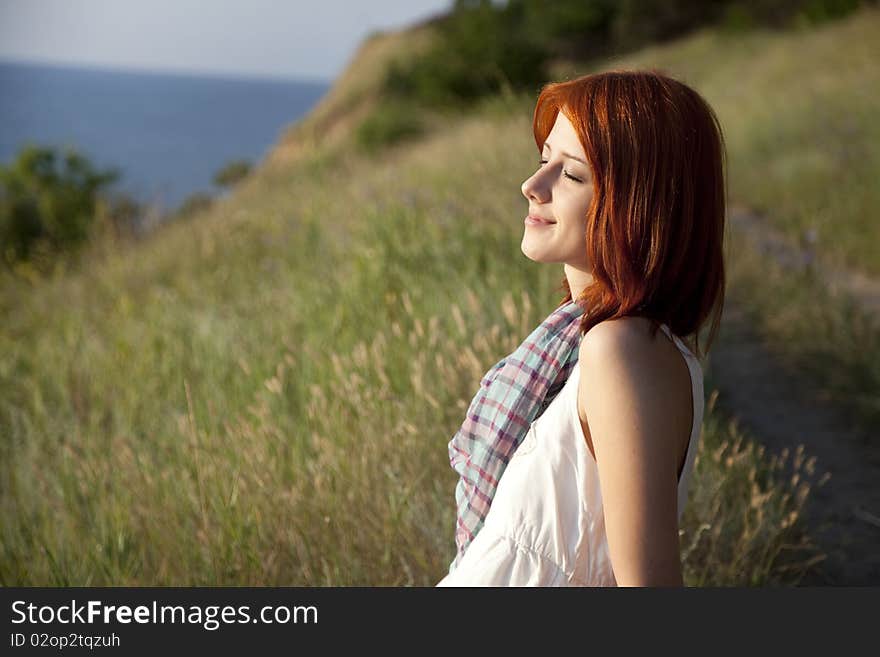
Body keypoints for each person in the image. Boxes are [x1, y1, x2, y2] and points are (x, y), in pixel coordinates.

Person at [436, 69, 726, 587]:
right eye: (545, 158)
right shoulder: (585, 342)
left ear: (640, 203)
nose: (532, 185)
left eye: (570, 174)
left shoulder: (622, 350)